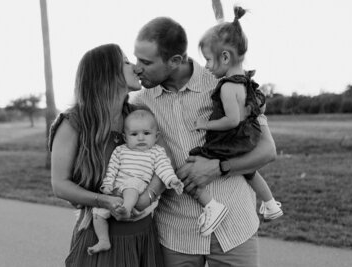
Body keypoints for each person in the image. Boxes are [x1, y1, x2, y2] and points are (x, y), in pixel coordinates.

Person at [130, 15, 277, 267]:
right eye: (135, 59)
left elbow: (267, 150)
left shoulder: (226, 83)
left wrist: (219, 167)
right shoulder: (140, 103)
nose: (136, 68)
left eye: (145, 62)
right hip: (176, 234)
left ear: (175, 60)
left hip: (235, 227)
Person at [49, 43, 165, 267]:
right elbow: (59, 185)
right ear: (108, 71)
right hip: (100, 236)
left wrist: (146, 197)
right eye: (126, 62)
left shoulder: (139, 117)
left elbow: (163, 160)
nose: (136, 67)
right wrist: (105, 201)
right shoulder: (74, 122)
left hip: (143, 234)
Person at [189, 6, 283, 222]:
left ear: (224, 57)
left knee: (194, 159)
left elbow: (231, 120)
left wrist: (205, 124)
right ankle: (270, 204)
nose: (206, 66)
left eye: (208, 60)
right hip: (248, 138)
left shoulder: (227, 87)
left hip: (233, 139)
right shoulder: (247, 83)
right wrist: (219, 14)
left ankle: (212, 208)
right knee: (249, 171)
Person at [88, 108, 183, 254]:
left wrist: (172, 180)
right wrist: (107, 185)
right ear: (125, 138)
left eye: (146, 133)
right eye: (134, 134)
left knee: (131, 185)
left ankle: (126, 209)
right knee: (97, 212)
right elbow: (112, 169)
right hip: (118, 189)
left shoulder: (156, 152)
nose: (140, 138)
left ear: (156, 136)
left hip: (138, 188)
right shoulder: (120, 151)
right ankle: (103, 240)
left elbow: (164, 167)